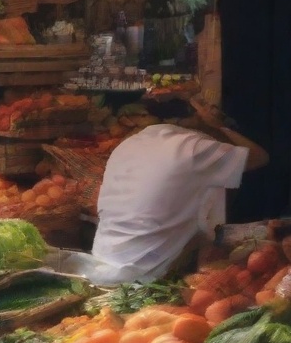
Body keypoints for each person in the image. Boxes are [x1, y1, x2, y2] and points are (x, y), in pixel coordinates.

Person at [91, 98, 270, 282]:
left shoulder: (126, 144)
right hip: (150, 269)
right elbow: (259, 157)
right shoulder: (193, 147)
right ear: (192, 117)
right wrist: (219, 126)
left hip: (103, 258)